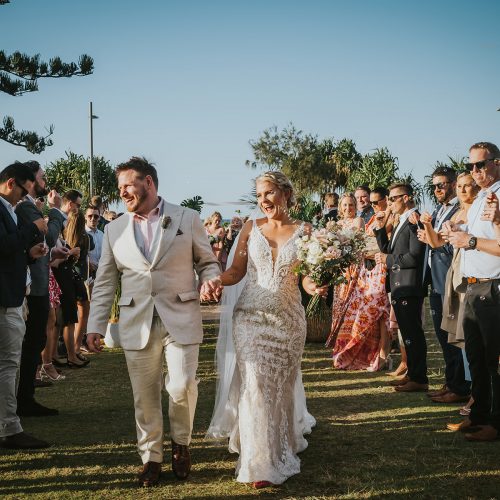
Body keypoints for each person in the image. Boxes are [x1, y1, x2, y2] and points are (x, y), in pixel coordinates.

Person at [86, 157, 220, 487]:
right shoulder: (114, 229)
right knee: (144, 395)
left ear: (149, 182)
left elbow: (207, 262)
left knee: (182, 385)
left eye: (128, 185)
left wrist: (210, 280)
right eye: (120, 188)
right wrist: (94, 326)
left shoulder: (186, 218)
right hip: (136, 320)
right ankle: (151, 457)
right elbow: (104, 282)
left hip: (181, 315)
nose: (123, 192)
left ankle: (181, 445)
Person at [206, 171, 318, 489]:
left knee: (280, 388)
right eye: (259, 195)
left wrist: (317, 285)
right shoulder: (249, 229)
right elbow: (236, 272)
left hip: (289, 321)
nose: (263, 201)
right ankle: (261, 463)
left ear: (285, 193)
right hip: (250, 318)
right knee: (255, 385)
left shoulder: (305, 231)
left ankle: (281, 440)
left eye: (269, 193)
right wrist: (216, 280)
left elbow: (307, 279)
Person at [445, 142, 500, 442]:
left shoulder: (498, 197)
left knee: (494, 360)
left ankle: (495, 422)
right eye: (471, 167)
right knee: (476, 357)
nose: (475, 171)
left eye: (481, 165)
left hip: (493, 287)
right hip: (473, 285)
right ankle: (478, 416)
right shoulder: (480, 200)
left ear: (498, 163)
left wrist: (471, 242)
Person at [418, 172, 479, 412]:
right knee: (449, 336)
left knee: (466, 341)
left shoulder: (470, 212)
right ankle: (455, 383)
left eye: (467, 186)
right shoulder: (449, 212)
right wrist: (426, 225)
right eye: (461, 186)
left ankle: (466, 389)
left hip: (468, 279)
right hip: (447, 277)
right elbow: (435, 243)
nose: (463, 190)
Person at [0, 162, 50, 449]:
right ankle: (9, 427)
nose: (23, 198)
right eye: (22, 191)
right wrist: (31, 229)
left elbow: (10, 250)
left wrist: (29, 253)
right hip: (5, 298)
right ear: (10, 183)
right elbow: (3, 245)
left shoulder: (8, 208)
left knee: (8, 364)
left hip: (13, 294)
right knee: (8, 365)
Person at [14, 162, 68, 417]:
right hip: (33, 287)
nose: (46, 184)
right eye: (42, 178)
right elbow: (46, 236)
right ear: (31, 181)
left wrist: (51, 253)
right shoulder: (25, 206)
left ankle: (26, 396)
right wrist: (56, 210)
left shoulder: (25, 206)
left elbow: (40, 245)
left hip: (37, 281)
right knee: (32, 341)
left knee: (34, 340)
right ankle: (24, 399)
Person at [374, 183, 428, 392]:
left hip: (409, 284)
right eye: (389, 198)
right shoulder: (400, 222)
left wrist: (388, 260)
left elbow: (414, 256)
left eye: (394, 198)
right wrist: (380, 229)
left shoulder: (416, 221)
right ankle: (412, 374)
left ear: (407, 198)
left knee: (413, 334)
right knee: (407, 334)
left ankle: (420, 378)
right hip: (399, 284)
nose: (389, 203)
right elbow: (389, 249)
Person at [327, 193, 390, 370]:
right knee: (339, 309)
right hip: (340, 271)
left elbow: (358, 245)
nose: (348, 208)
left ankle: (355, 348)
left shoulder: (359, 222)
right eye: (345, 205)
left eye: (351, 205)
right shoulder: (334, 225)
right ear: (340, 207)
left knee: (351, 308)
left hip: (355, 269)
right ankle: (339, 348)